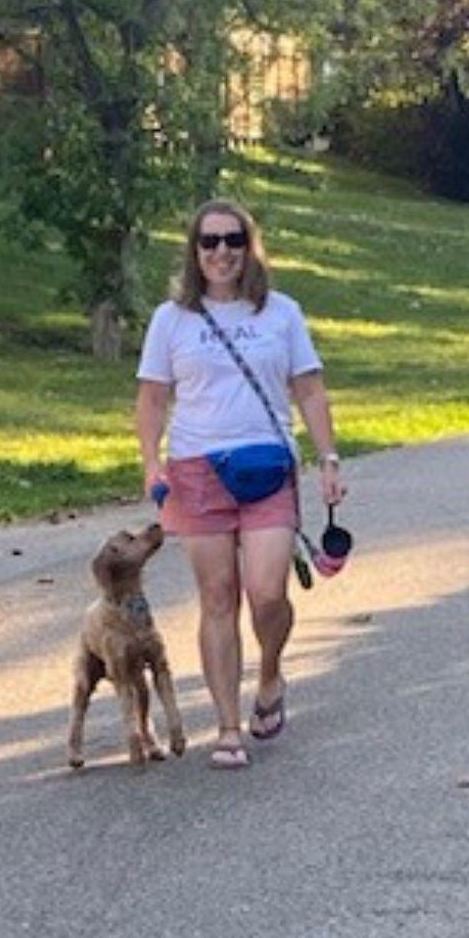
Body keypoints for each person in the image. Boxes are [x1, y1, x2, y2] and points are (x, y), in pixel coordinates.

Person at [135, 198, 346, 769]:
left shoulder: (281, 313)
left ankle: (271, 672)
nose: (222, 252)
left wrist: (327, 457)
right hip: (197, 471)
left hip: (267, 468)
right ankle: (227, 726)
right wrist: (151, 462)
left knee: (268, 591)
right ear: (195, 251)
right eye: (210, 242)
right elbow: (153, 397)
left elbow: (310, 389)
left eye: (233, 240)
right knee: (218, 598)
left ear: (249, 248)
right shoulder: (171, 320)